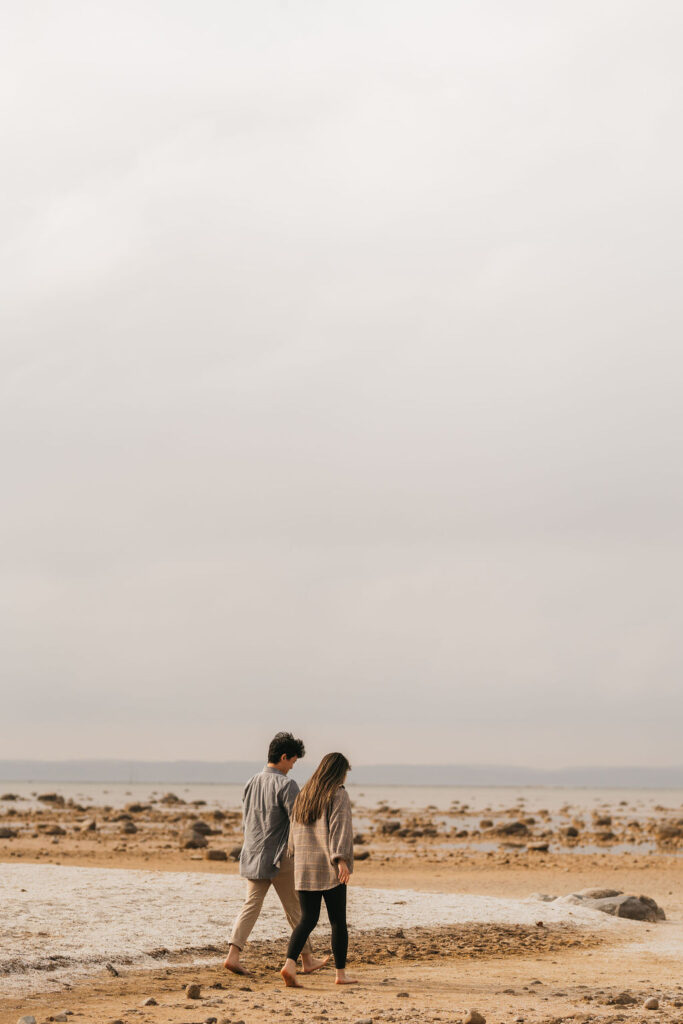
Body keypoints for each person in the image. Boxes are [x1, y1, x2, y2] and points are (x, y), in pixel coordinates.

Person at [224, 731, 329, 977]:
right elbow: (299, 821)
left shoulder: (251, 781)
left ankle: (233, 955)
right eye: (292, 761)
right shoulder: (286, 784)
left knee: (250, 905)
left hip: (253, 853)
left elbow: (248, 820)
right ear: (283, 757)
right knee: (296, 910)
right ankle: (306, 959)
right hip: (280, 857)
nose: (292, 767)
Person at [280, 752, 357, 988]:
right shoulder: (337, 793)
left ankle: (290, 964)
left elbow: (293, 832)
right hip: (328, 867)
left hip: (303, 867)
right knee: (337, 922)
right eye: (345, 772)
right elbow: (339, 827)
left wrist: (294, 855)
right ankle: (340, 975)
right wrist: (341, 859)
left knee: (307, 919)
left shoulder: (304, 795)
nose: (345, 777)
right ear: (337, 772)